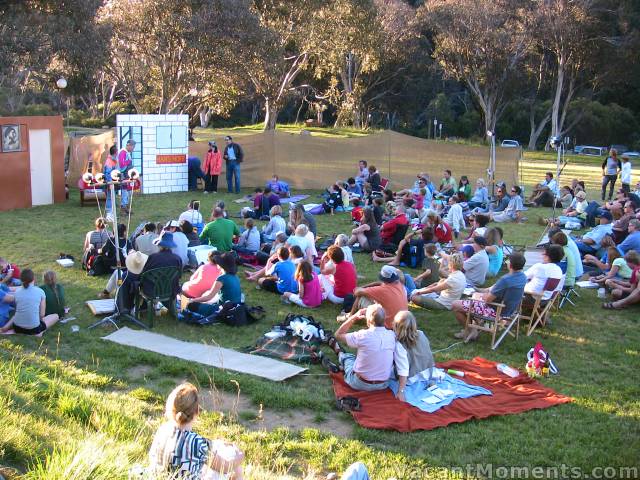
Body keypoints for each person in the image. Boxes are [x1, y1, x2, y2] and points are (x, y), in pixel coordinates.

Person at [148, 383, 244, 480]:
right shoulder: (197, 443)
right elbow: (225, 467)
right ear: (197, 411)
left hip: (158, 477)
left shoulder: (163, 429)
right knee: (232, 458)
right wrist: (240, 456)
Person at [451, 252, 527, 341]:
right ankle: (473, 327)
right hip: (511, 311)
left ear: (510, 265)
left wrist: (479, 296)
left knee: (455, 304)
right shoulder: (523, 277)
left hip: (496, 312)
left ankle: (471, 331)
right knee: (470, 300)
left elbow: (487, 300)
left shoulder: (505, 280)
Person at [325, 304, 396, 392]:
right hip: (383, 384)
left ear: (368, 320)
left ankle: (340, 353)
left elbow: (338, 334)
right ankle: (342, 362)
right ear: (384, 319)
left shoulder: (363, 335)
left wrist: (353, 317)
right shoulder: (392, 335)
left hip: (359, 383)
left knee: (349, 358)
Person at [339, 265, 408, 329]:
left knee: (359, 295)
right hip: (402, 323)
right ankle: (351, 314)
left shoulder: (381, 290)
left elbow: (358, 292)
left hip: (387, 325)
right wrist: (364, 287)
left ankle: (350, 316)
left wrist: (359, 288)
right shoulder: (399, 285)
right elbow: (379, 283)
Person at [0, 269, 59, 336]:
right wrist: (39, 322)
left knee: (17, 315)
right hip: (34, 328)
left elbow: (18, 310)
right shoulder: (40, 291)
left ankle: (5, 329)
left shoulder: (17, 292)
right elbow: (42, 314)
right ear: (34, 278)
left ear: (21, 280)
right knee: (55, 316)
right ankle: (39, 332)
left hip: (17, 327)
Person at [393, 311, 435, 395]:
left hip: (411, 378)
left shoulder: (399, 345)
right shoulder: (421, 333)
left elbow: (403, 369)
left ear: (396, 325)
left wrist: (401, 391)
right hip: (428, 372)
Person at [522, 244, 565, 310]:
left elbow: (522, 277)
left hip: (532, 299)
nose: (542, 255)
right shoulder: (559, 270)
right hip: (546, 299)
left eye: (544, 254)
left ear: (548, 256)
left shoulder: (540, 267)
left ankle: (507, 315)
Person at [142, 232, 183, 298]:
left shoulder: (152, 257)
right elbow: (179, 276)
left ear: (159, 245)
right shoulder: (177, 259)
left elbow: (144, 273)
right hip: (171, 290)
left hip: (152, 291)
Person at [117, 139, 135, 213]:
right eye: (133, 147)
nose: (133, 149)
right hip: (123, 174)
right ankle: (123, 208)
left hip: (127, 174)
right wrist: (129, 162)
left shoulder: (127, 152)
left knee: (127, 191)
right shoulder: (123, 152)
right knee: (124, 191)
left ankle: (126, 207)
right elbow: (122, 164)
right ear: (129, 145)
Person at [103, 145, 119, 218]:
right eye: (117, 151)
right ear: (115, 153)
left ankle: (112, 214)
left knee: (112, 197)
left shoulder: (113, 160)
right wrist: (110, 184)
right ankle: (109, 215)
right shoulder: (109, 161)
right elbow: (108, 174)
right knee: (110, 197)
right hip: (110, 183)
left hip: (113, 183)